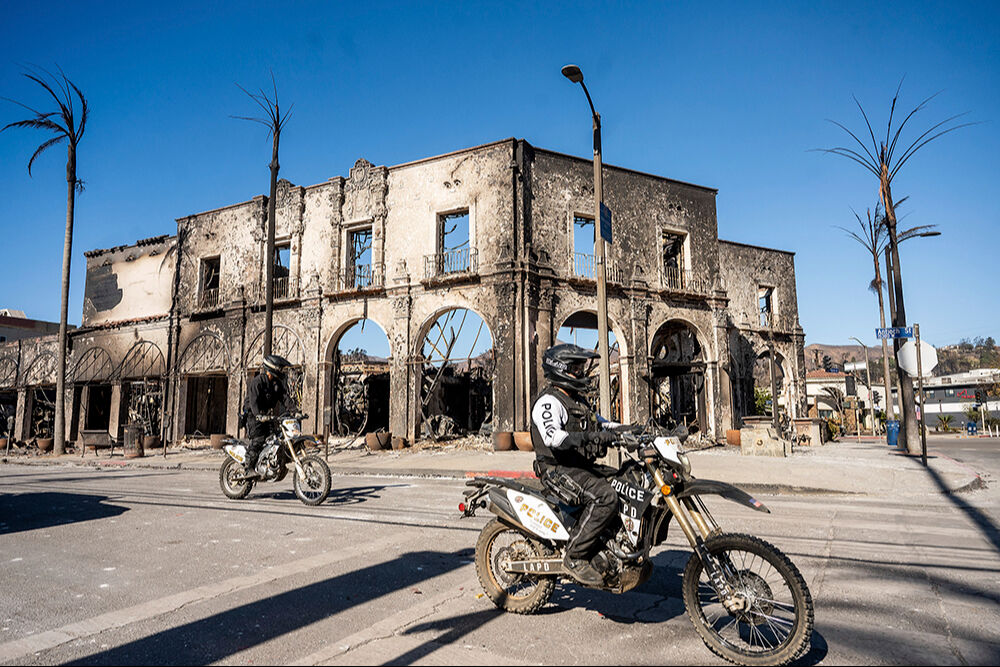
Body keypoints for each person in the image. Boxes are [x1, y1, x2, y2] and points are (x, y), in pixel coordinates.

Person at [530, 343, 620, 587]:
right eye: (576, 369)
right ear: (561, 370)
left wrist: (632, 431)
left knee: (625, 482)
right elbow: (553, 437)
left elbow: (604, 424)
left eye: (582, 368)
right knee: (606, 497)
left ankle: (607, 545)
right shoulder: (549, 402)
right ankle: (576, 556)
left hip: (577, 466)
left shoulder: (578, 401)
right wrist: (591, 437)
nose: (582, 374)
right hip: (558, 469)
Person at [242, 354, 297, 475]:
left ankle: (270, 463)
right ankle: (248, 468)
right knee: (258, 440)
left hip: (266, 416)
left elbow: (285, 398)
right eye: (280, 368)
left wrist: (296, 411)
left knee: (275, 439)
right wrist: (258, 415)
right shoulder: (257, 382)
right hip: (253, 416)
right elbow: (253, 402)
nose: (282, 371)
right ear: (273, 368)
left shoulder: (276, 384)